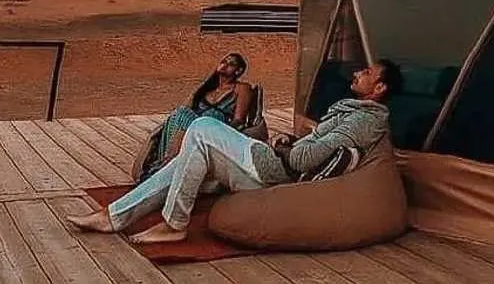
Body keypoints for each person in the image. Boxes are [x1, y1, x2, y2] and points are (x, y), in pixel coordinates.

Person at [68, 59, 403, 244]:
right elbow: (313, 148)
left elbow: (304, 159)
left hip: (275, 171)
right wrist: (295, 142)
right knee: (193, 154)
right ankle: (114, 217)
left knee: (201, 129)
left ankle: (173, 223)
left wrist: (286, 144)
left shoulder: (363, 121)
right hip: (270, 164)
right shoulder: (353, 112)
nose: (358, 72)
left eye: (367, 72)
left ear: (379, 88)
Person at [134, 52, 265, 182]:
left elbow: (239, 119)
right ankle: (170, 162)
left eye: (231, 64)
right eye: (224, 61)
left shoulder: (241, 88)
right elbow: (187, 108)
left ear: (238, 71)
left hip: (212, 127)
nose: (225, 65)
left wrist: (225, 135)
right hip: (190, 130)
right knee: (181, 113)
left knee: (208, 115)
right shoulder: (208, 89)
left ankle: (169, 166)